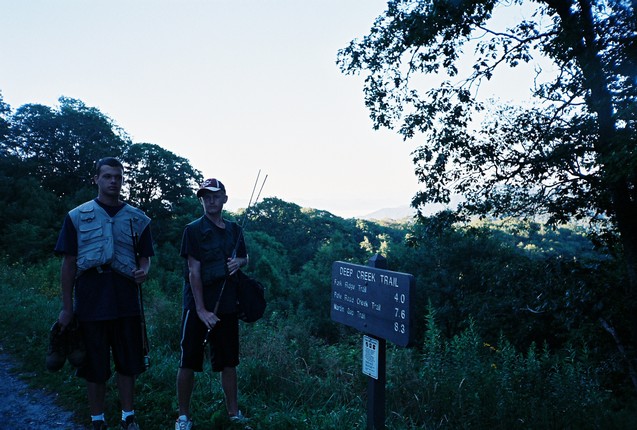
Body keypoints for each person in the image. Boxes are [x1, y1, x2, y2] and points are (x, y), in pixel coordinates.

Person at [54, 157, 154, 430]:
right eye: (108, 176)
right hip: (90, 298)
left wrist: (143, 270)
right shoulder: (76, 216)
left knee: (127, 361)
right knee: (93, 363)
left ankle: (128, 416)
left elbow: (145, 258)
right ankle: (97, 419)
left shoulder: (138, 218)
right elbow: (68, 264)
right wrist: (66, 307)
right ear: (96, 178)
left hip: (125, 299)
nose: (113, 181)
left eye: (118, 177)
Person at [175, 178, 249, 430]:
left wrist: (238, 263)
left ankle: (234, 415)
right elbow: (193, 271)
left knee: (228, 362)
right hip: (198, 306)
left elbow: (245, 257)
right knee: (188, 361)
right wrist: (201, 310)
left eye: (216, 196)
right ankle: (183, 416)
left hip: (227, 305)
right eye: (206, 196)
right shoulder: (193, 230)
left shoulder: (235, 229)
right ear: (202, 200)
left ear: (225, 199)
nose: (211, 200)